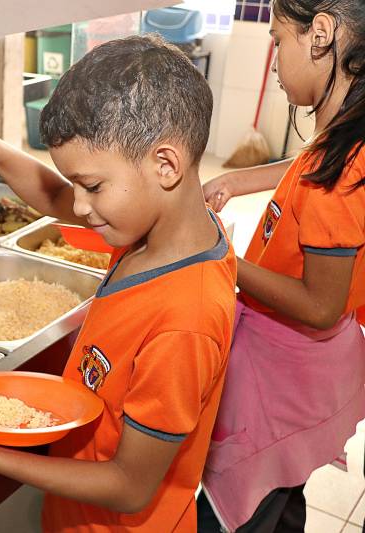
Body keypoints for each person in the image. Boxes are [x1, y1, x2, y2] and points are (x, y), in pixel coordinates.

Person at [0, 34, 237, 532]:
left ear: (166, 165)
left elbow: (129, 486)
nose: (80, 206)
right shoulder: (163, 227)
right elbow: (58, 200)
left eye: (93, 186)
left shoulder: (185, 320)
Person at [198, 0, 365, 530]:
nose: (273, 59)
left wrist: (221, 258)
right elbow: (311, 161)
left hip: (291, 375)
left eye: (277, 40)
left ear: (321, 34)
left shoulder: (340, 178)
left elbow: (320, 306)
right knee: (285, 496)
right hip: (314, 373)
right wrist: (239, 180)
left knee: (244, 506)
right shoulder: (348, 135)